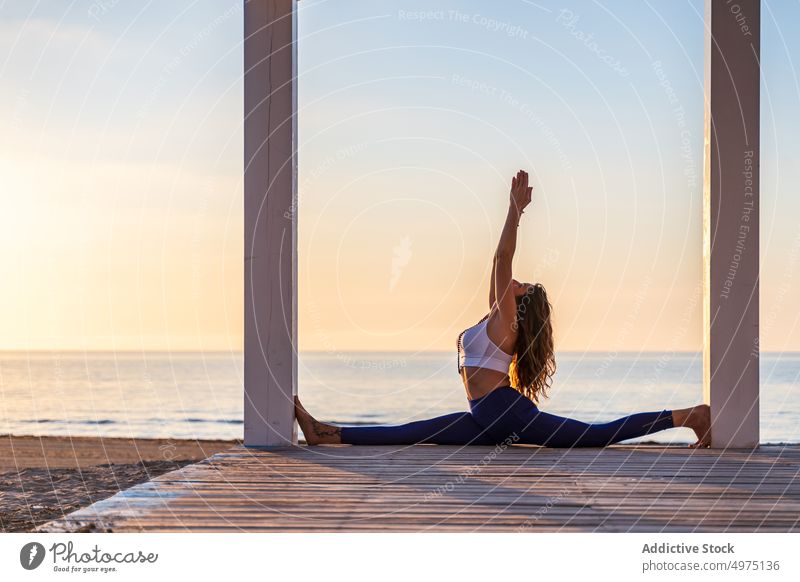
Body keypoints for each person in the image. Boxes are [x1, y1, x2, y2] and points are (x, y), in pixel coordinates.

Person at [295, 170, 712, 448]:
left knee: (593, 436)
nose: (515, 281)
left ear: (521, 303)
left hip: (501, 410)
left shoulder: (507, 322)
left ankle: (689, 415)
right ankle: (324, 433)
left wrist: (514, 212)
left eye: (521, 285)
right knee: (416, 432)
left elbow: (500, 260)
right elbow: (499, 269)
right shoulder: (493, 319)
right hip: (487, 413)